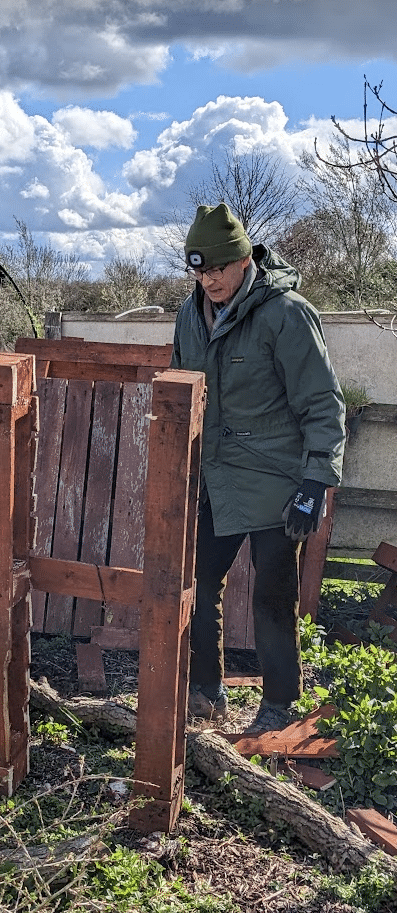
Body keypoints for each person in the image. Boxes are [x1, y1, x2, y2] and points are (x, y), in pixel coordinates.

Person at [171, 203, 345, 733]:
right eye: (200, 271)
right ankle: (205, 690)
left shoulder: (285, 313)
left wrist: (315, 483)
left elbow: (322, 403)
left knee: (273, 594)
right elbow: (184, 391)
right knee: (196, 584)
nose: (210, 279)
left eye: (219, 268)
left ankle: (278, 703)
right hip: (214, 477)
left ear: (245, 260)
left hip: (276, 479)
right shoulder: (188, 315)